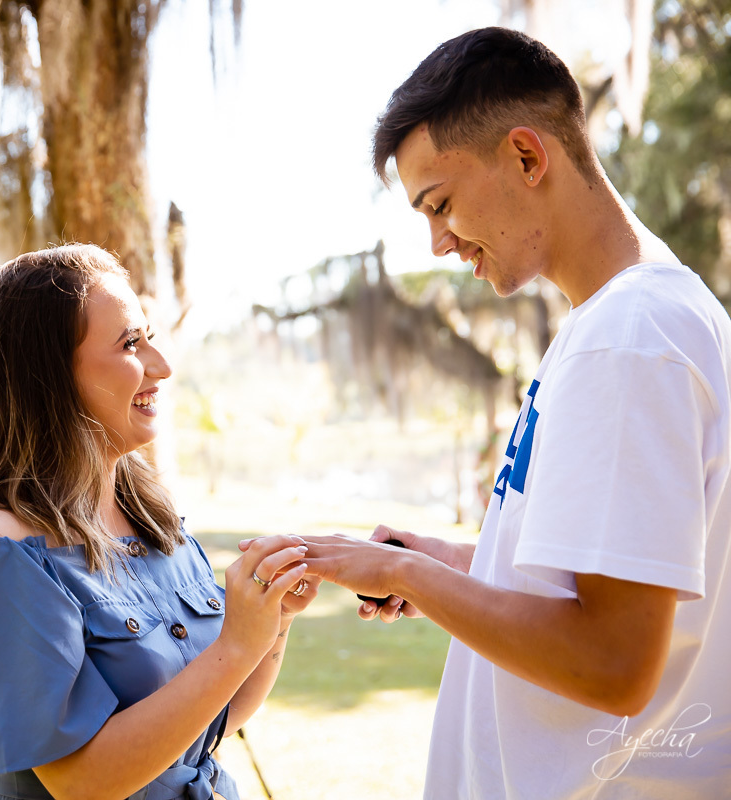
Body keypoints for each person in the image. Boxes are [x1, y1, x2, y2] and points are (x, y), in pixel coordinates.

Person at [291, 26, 731, 799]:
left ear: (528, 158)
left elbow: (612, 662)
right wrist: (448, 564)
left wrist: (403, 573)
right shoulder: (633, 320)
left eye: (442, 203)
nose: (437, 242)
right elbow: (608, 582)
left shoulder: (628, 340)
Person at [0, 244, 319, 800]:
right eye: (131, 343)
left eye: (149, 337)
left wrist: (271, 624)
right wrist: (235, 644)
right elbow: (82, 781)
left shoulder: (152, 519)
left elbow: (205, 728)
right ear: (49, 376)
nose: (162, 366)